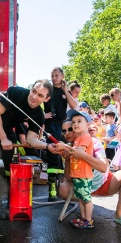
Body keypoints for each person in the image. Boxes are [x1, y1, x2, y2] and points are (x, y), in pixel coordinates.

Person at [0, 80, 53, 220]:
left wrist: (48, 146)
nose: (34, 97)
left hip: (5, 126)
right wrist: (4, 139)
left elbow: (30, 140)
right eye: (33, 91)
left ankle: (13, 200)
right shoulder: (16, 93)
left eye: (40, 95)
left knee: (9, 162)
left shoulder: (39, 115)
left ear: (46, 99)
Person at [56, 116, 121, 229]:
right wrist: (67, 159)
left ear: (84, 126)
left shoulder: (92, 141)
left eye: (70, 129)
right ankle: (85, 215)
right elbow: (69, 179)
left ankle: (119, 214)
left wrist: (81, 154)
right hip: (81, 183)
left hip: (103, 183)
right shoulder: (69, 147)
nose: (67, 133)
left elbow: (104, 167)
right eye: (64, 131)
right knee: (64, 188)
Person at [43, 67, 78, 202]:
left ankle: (60, 188)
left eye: (56, 75)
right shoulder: (47, 90)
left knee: (62, 156)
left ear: (62, 76)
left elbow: (74, 105)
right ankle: (52, 190)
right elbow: (36, 105)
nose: (54, 78)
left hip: (62, 127)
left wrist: (65, 90)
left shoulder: (65, 91)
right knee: (53, 153)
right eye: (52, 75)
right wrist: (44, 115)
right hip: (51, 125)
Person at [61, 110, 95, 229]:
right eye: (74, 122)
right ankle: (84, 218)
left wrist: (65, 147)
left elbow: (79, 152)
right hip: (78, 174)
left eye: (79, 121)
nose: (75, 124)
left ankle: (89, 220)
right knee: (81, 198)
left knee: (86, 198)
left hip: (84, 174)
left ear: (87, 124)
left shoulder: (85, 137)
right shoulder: (77, 139)